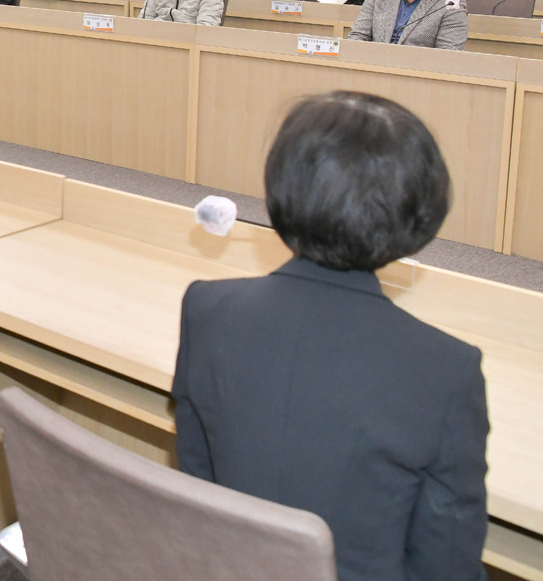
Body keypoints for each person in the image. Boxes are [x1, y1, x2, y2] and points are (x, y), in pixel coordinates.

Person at [173, 91, 488, 581]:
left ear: (279, 190)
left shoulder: (207, 310)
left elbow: (198, 489)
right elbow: (447, 566)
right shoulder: (447, 370)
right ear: (422, 213)